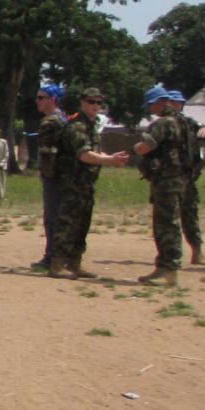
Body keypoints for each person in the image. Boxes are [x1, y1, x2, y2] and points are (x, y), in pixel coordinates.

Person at [49, 87, 131, 280]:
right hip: (72, 183)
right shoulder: (76, 127)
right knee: (67, 224)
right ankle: (57, 264)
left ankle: (75, 263)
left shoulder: (91, 127)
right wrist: (108, 160)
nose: (95, 106)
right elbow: (84, 155)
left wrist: (110, 157)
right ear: (82, 102)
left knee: (82, 224)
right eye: (91, 102)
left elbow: (93, 153)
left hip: (86, 183)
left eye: (99, 102)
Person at [132, 85, 188, 287]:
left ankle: (170, 270)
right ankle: (164, 266)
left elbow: (147, 146)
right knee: (166, 222)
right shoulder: (182, 121)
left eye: (150, 106)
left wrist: (135, 149)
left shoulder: (164, 122)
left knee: (166, 224)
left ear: (158, 103)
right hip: (175, 178)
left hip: (167, 179)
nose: (149, 110)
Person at [170, 88, 205, 264]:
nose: (174, 106)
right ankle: (170, 254)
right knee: (167, 217)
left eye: (177, 103)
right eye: (171, 103)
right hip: (167, 178)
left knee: (190, 214)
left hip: (187, 177)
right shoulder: (162, 125)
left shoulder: (189, 123)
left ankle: (197, 252)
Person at [30, 84, 67, 271]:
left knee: (52, 217)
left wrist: (45, 172)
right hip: (64, 175)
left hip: (54, 176)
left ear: (52, 100)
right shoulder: (64, 119)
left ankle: (52, 257)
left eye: (41, 98)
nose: (37, 101)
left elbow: (48, 153)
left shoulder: (51, 122)